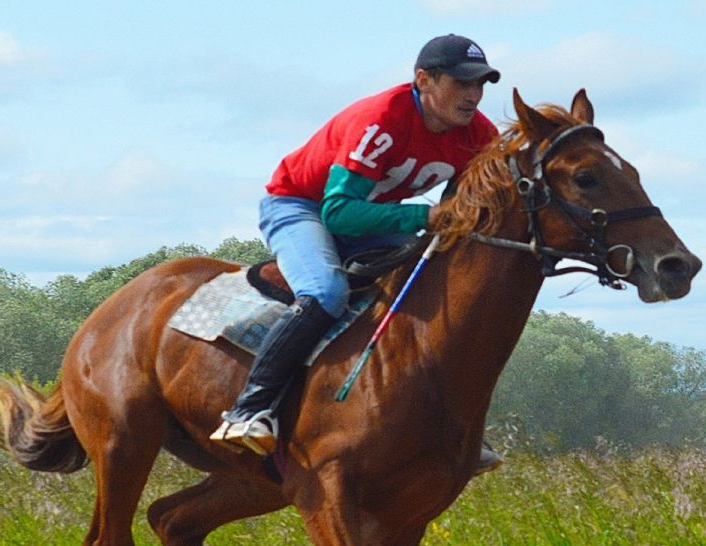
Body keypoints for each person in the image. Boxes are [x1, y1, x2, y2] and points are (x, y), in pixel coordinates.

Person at [211, 33, 503, 455]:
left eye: (479, 85)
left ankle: (445, 425)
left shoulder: (478, 134)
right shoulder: (382, 120)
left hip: (364, 215)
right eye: (462, 84)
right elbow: (338, 213)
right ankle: (249, 410)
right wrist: (424, 216)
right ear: (424, 79)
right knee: (327, 291)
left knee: (436, 276)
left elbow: (460, 206)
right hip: (300, 206)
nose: (473, 95)